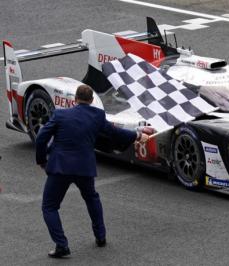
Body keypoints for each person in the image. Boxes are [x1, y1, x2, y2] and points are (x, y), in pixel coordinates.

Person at [36, 85, 151, 258]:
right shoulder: (97, 116)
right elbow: (116, 133)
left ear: (75, 99)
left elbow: (41, 138)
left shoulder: (61, 114)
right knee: (91, 198)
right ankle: (101, 236)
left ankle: (61, 245)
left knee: (49, 207)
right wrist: (137, 135)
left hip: (60, 167)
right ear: (91, 100)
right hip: (85, 167)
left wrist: (42, 160)